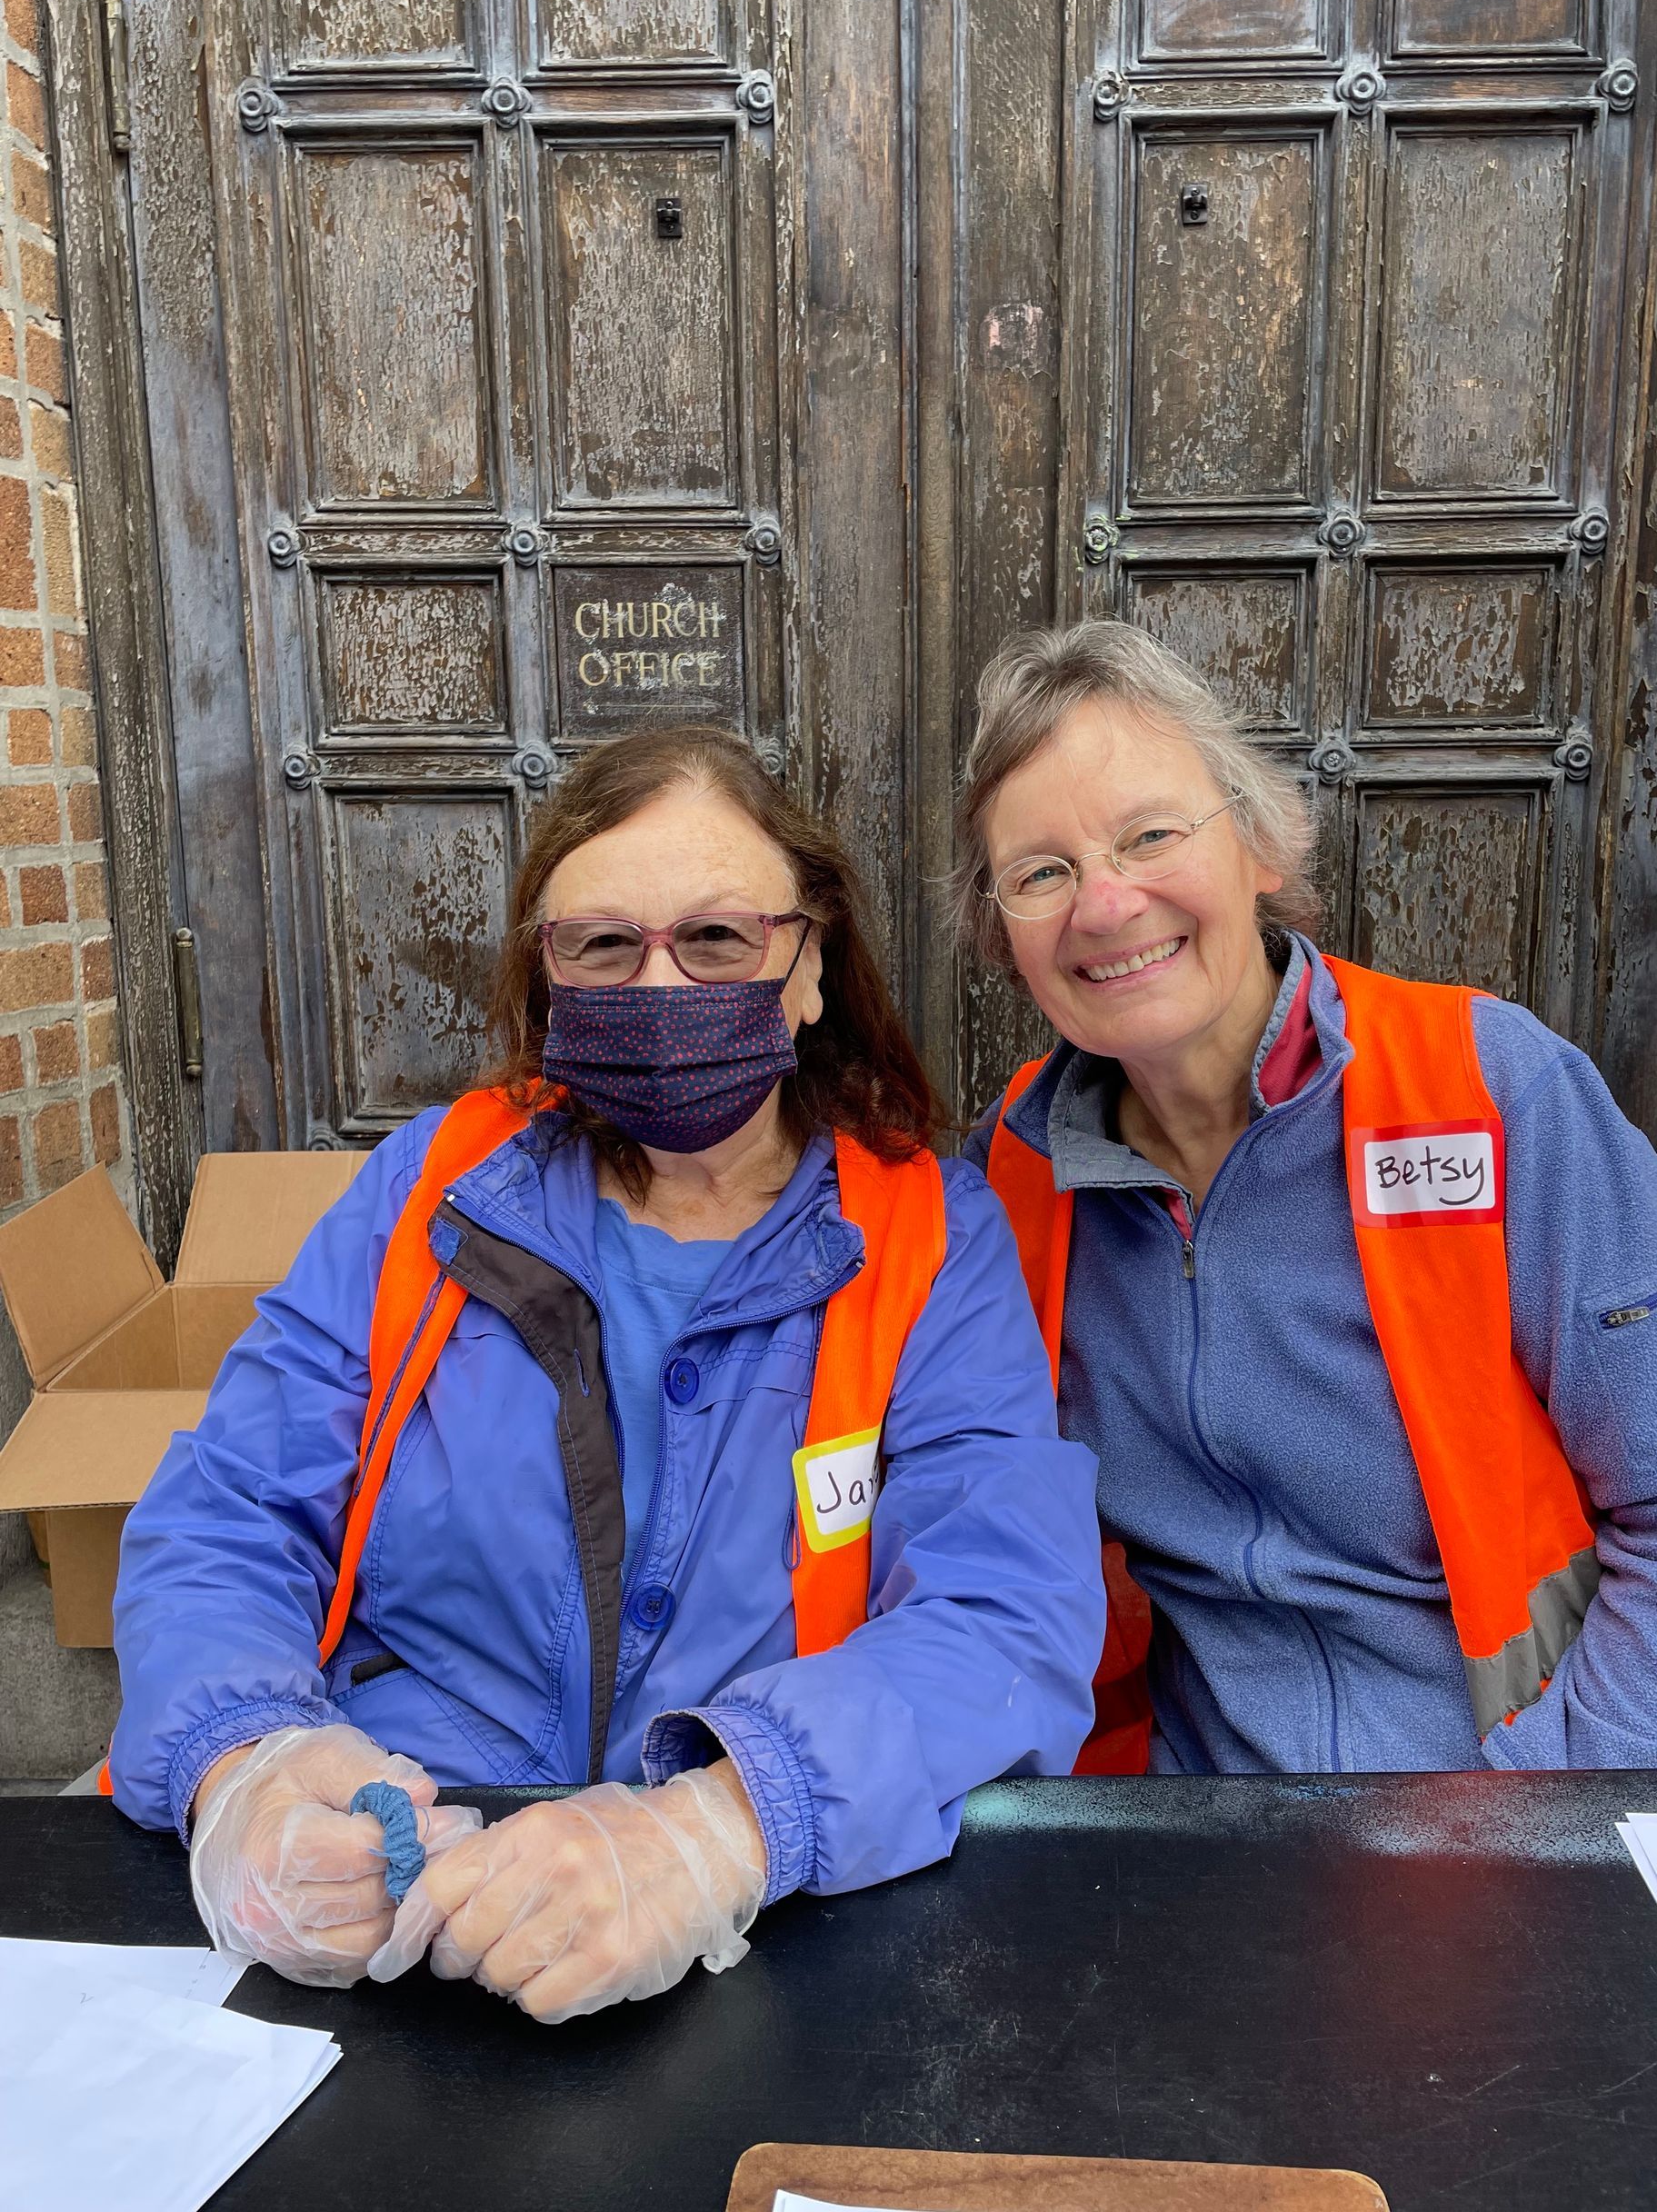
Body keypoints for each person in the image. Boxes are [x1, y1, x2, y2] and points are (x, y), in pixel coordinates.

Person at [110, 725, 1104, 2021]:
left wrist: (721, 1828)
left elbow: (1005, 1614)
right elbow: (228, 1511)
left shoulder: (926, 1239)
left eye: (718, 941)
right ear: (548, 974)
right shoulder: (429, 1192)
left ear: (809, 970)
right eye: (603, 947)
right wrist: (243, 1762)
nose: (662, 987)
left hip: (756, 1937)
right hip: (402, 1901)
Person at [953, 620, 1657, 1776]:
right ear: (1002, 933)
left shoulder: (1490, 1090)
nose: (1107, 904)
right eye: (1043, 873)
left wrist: (1559, 1828)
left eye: (1152, 835)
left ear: (1261, 846)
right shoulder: (1013, 1170)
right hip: (1181, 1845)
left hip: (1515, 1803)